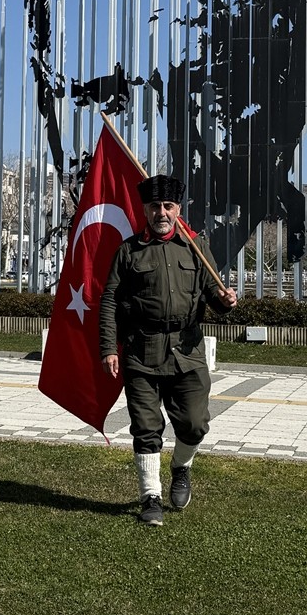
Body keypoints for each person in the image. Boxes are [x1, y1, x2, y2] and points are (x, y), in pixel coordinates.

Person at [99, 174, 237, 526]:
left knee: (194, 424)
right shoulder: (129, 251)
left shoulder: (195, 247)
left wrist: (226, 302)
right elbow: (110, 300)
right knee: (146, 427)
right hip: (141, 352)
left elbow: (212, 293)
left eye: (168, 206)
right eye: (155, 206)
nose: (162, 212)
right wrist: (108, 348)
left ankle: (181, 468)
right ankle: (151, 497)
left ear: (178, 209)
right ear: (145, 210)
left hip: (187, 351)